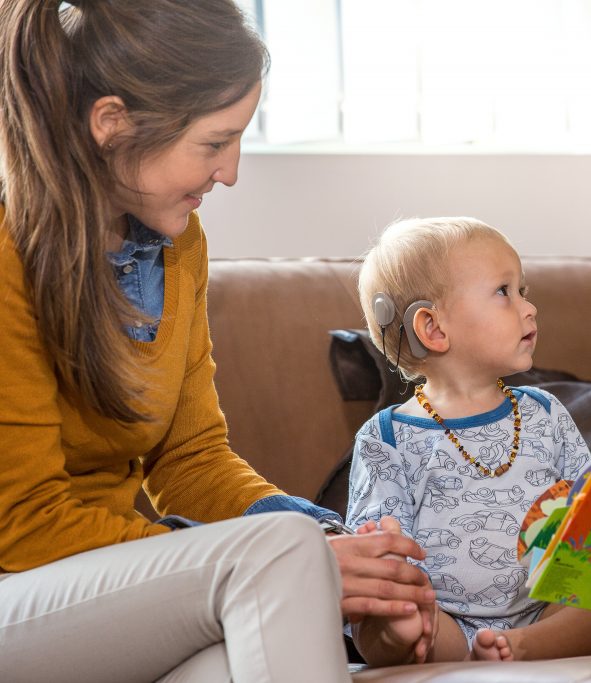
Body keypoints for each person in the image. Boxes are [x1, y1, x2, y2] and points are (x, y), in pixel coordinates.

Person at [0, 2, 432, 681]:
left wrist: (332, 539)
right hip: (20, 583)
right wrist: (289, 555)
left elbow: (191, 459)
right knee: (281, 557)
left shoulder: (178, 243)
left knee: (241, 652)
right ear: (111, 124)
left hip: (98, 594)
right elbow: (24, 523)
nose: (229, 171)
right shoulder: (7, 251)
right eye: (213, 143)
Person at [347, 217, 591, 664]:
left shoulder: (544, 412)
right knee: (389, 609)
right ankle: (423, 636)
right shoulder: (386, 439)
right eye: (504, 291)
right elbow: (384, 552)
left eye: (523, 291)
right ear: (433, 328)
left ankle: (523, 645)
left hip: (549, 609)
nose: (529, 308)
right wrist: (399, 582)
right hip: (446, 621)